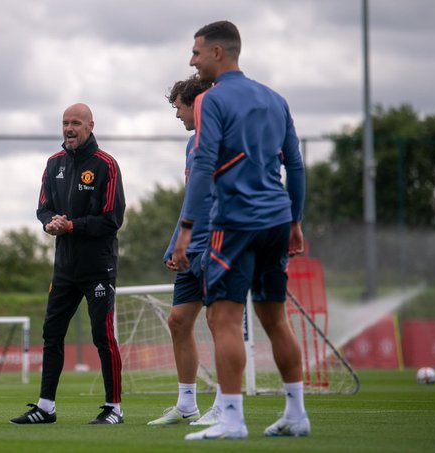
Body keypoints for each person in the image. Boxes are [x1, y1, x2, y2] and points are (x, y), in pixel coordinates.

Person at [172, 21, 308, 440]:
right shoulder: (275, 98)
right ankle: (296, 414)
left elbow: (203, 165)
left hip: (233, 224)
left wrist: (187, 229)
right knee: (275, 318)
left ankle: (231, 418)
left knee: (224, 318)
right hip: (276, 220)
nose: (192, 60)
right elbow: (296, 166)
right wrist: (296, 221)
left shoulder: (211, 101)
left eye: (196, 52)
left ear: (217, 53)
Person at [10, 103, 126, 425]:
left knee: (103, 336)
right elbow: (43, 208)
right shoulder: (53, 164)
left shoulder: (106, 165)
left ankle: (114, 408)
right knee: (52, 333)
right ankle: (46, 407)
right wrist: (50, 223)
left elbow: (112, 219)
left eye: (76, 123)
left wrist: (72, 225)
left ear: (90, 126)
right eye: (65, 123)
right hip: (64, 268)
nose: (69, 129)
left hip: (98, 268)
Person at [146, 75, 223, 427]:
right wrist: (175, 242)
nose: (176, 114)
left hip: (217, 246)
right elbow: (191, 199)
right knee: (178, 321)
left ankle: (226, 404)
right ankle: (187, 404)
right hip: (189, 250)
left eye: (178, 106)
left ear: (196, 103)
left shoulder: (221, 138)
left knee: (220, 322)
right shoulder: (191, 145)